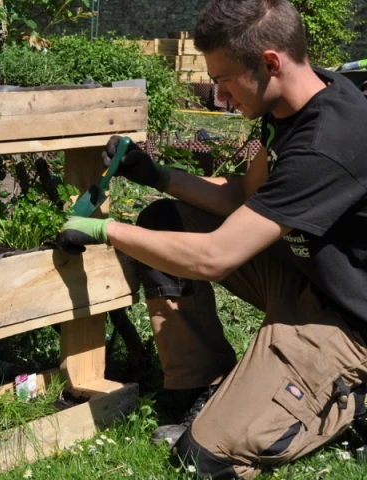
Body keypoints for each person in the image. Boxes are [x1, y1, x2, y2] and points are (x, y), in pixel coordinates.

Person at [57, 0, 367, 478]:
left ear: (269, 64)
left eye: (223, 79)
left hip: (349, 324)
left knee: (206, 459)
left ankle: (352, 397)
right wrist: (157, 175)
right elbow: (245, 195)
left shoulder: (328, 143)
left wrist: (105, 229)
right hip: (305, 277)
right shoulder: (292, 102)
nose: (218, 95)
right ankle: (204, 384)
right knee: (166, 220)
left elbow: (214, 259)